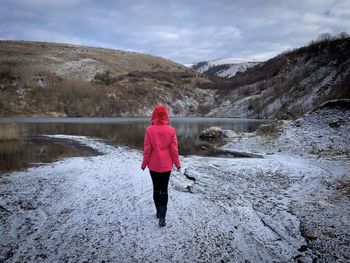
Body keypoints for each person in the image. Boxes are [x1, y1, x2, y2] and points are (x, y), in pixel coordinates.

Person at [141, 104, 181, 227]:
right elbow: (174, 150)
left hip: (153, 165)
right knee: (164, 190)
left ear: (154, 116)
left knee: (156, 189)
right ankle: (162, 217)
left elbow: (147, 149)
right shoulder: (171, 130)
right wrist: (178, 164)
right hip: (166, 166)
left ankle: (158, 212)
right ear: (166, 116)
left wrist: (144, 164)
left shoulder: (149, 130)